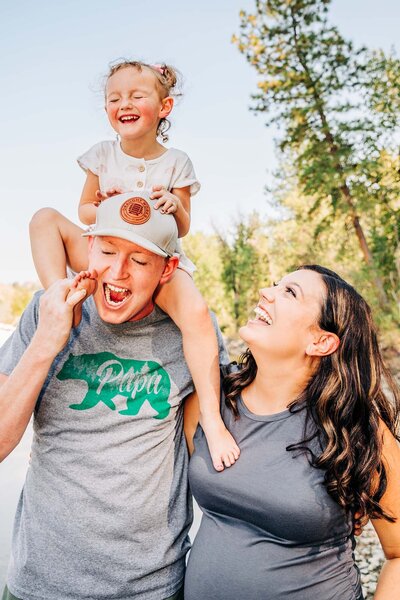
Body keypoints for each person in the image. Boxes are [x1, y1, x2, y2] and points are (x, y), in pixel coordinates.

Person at [0, 192, 228, 600]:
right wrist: (48, 339)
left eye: (140, 261)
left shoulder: (192, 334)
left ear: (167, 268)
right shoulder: (46, 311)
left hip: (149, 589)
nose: (117, 272)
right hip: (36, 586)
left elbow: (234, 432)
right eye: (106, 250)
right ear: (89, 247)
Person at [29, 59, 239, 472]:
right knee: (43, 219)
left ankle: (213, 421)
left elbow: (183, 225)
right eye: (114, 98)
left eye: (136, 96)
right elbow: (85, 210)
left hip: (157, 260)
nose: (124, 103)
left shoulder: (177, 161)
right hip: (103, 249)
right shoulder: (101, 155)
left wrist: (174, 203)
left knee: (196, 314)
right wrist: (102, 203)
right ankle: (61, 299)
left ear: (164, 107)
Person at [184, 265, 400, 600]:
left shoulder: (355, 427)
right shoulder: (212, 397)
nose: (265, 293)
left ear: (321, 340)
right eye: (274, 284)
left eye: (289, 292)